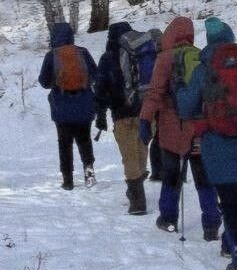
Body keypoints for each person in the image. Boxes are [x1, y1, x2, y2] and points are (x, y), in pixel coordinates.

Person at [177, 18, 237, 270]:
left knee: (227, 197)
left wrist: (180, 89)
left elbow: (186, 107)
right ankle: (232, 244)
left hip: (215, 142)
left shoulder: (203, 68)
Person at [139, 16, 222, 241]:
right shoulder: (201, 56)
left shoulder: (165, 58)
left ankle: (168, 219)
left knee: (171, 176)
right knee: (203, 177)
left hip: (171, 129)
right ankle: (211, 223)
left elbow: (154, 94)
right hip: (199, 128)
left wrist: (145, 120)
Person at [94, 21, 149, 215]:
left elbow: (100, 88)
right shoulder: (142, 52)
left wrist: (100, 114)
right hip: (144, 111)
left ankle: (137, 201)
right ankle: (137, 184)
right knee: (141, 149)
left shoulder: (108, 58)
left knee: (129, 156)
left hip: (121, 113)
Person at [38, 21, 98, 190]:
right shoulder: (82, 52)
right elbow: (95, 74)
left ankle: (68, 180)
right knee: (85, 141)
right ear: (71, 36)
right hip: (84, 105)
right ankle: (89, 176)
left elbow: (44, 82)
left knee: (64, 144)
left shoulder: (51, 56)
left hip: (62, 107)